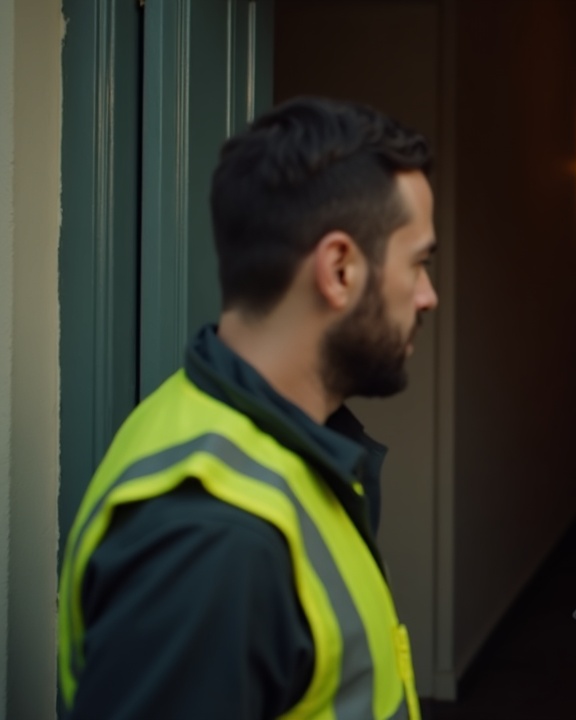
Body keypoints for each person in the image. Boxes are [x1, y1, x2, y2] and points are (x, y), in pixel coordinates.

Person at [58, 97, 437, 720]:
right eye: (419, 262)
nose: (428, 295)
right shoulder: (211, 544)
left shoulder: (219, 422)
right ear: (339, 269)